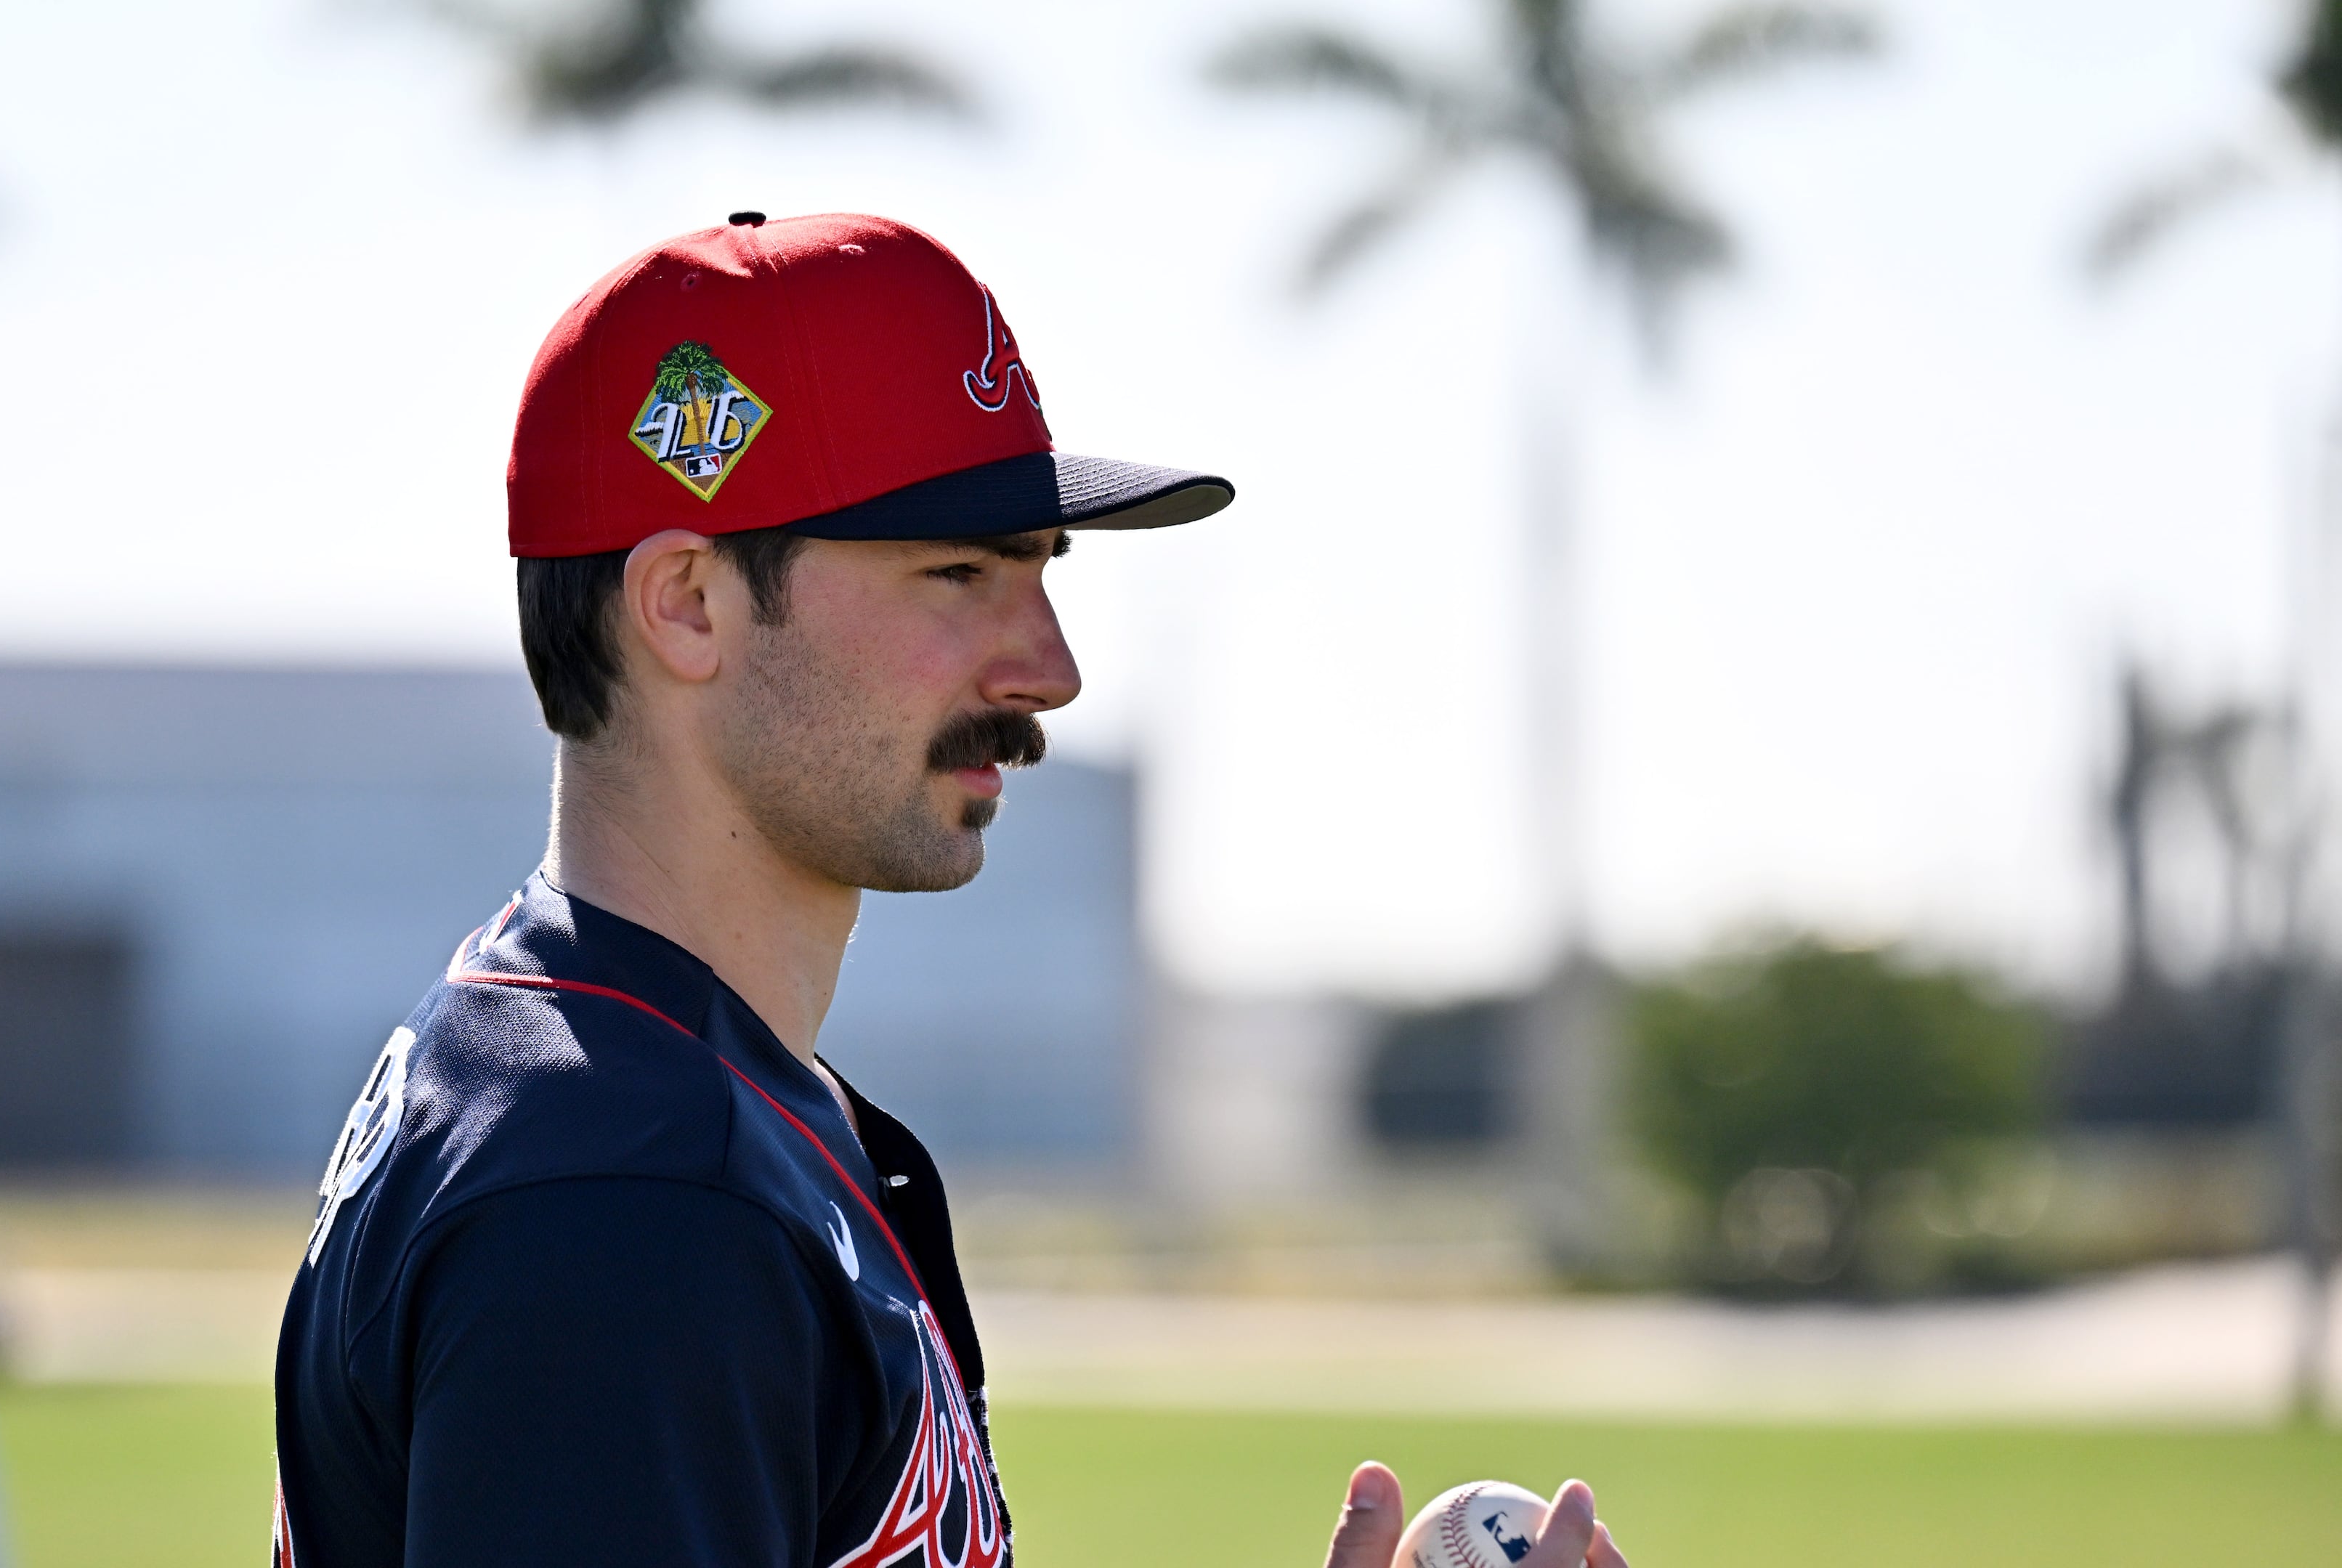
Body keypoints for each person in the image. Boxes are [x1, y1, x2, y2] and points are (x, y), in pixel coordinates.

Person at [272, 211, 1629, 1568]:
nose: (1047, 666)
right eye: (959, 572)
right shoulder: (631, 1207)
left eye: (1041, 570)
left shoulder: (606, 1063)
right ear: (686, 601)